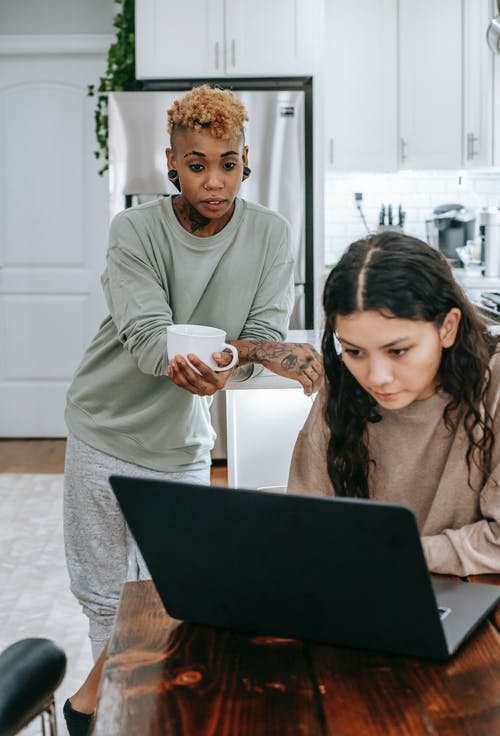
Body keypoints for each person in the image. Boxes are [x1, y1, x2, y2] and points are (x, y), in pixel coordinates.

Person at [62, 84, 322, 735]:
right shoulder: (134, 231)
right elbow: (151, 342)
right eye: (198, 163)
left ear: (246, 160)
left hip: (181, 448)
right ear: (171, 163)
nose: (215, 180)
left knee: (169, 604)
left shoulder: (270, 234)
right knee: (102, 600)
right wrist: (241, 353)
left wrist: (241, 357)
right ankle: (117, 717)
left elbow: (262, 332)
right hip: (104, 430)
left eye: (228, 162)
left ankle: (124, 711)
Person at [288, 230, 500, 577]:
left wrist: (395, 551)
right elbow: (308, 513)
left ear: (448, 327)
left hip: (477, 596)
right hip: (368, 584)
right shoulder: (342, 382)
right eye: (355, 351)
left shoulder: (495, 382)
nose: (376, 377)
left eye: (397, 351)